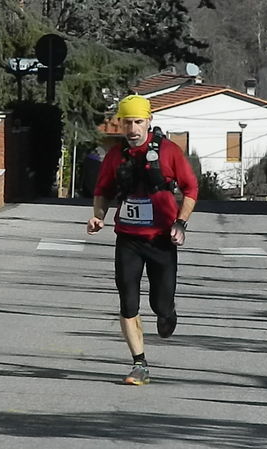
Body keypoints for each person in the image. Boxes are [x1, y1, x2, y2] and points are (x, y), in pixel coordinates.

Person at [86, 94, 198, 385]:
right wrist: (98, 215)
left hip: (161, 239)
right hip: (128, 239)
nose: (132, 128)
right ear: (120, 124)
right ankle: (139, 364)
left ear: (149, 121)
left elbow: (191, 189)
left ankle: (167, 312)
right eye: (127, 122)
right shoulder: (114, 156)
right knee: (128, 302)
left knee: (161, 302)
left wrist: (181, 223)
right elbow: (103, 190)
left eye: (138, 121)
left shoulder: (169, 151)